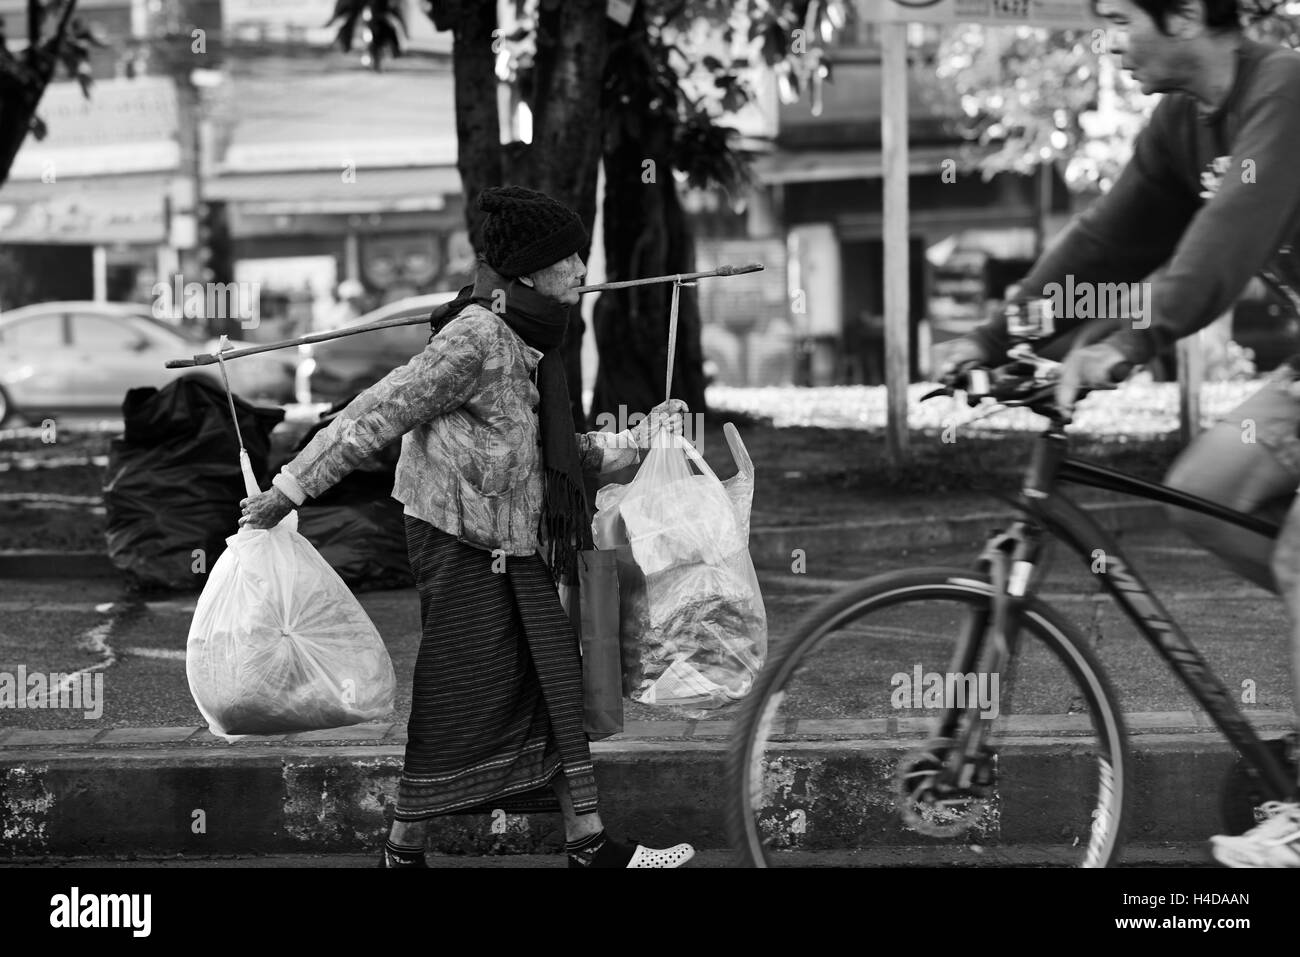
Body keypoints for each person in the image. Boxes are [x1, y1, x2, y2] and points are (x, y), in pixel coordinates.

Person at [936, 0, 1300, 866]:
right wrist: (997, 338)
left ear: (1181, 15)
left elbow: (1224, 244)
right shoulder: (1185, 124)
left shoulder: (1283, 89)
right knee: (1208, 491)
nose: (1106, 40)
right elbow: (1106, 244)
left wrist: (1134, 340)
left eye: (1117, 18)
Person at [239, 185, 696, 869]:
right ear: (533, 271)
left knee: (553, 687)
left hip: (516, 544)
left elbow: (552, 453)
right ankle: (404, 848)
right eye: (569, 258)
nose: (580, 270)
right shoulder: (475, 339)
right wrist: (288, 487)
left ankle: (588, 843)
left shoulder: (533, 341)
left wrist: (639, 439)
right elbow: (375, 413)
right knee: (458, 695)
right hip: (460, 544)